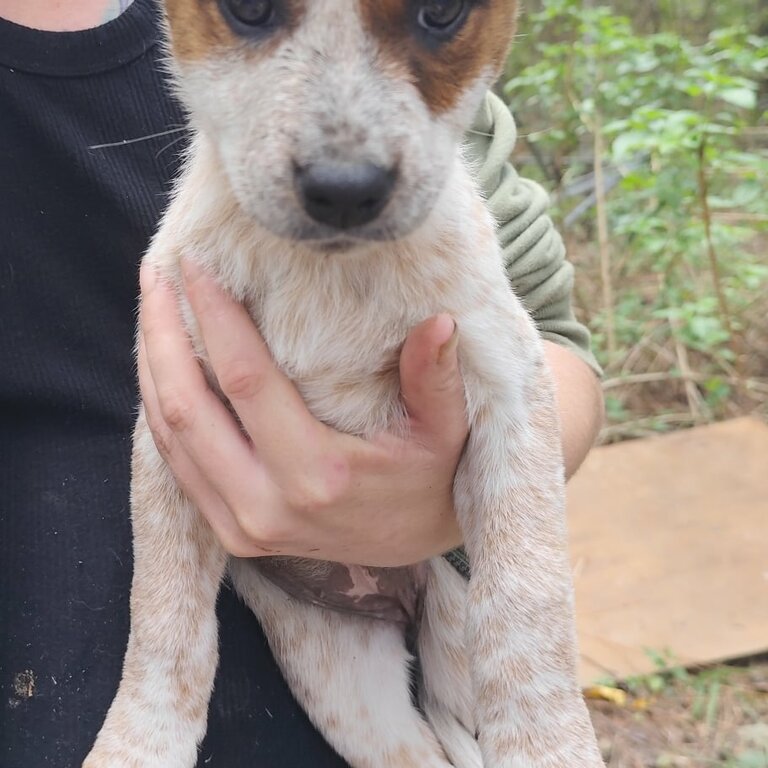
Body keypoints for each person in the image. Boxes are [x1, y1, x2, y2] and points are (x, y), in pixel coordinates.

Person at [0, 0, 604, 765]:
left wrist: (543, 719)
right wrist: (155, 709)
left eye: (438, 12)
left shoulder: (457, 190)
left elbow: (542, 363)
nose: (345, 153)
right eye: (251, 10)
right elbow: (168, 428)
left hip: (442, 583)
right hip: (268, 611)